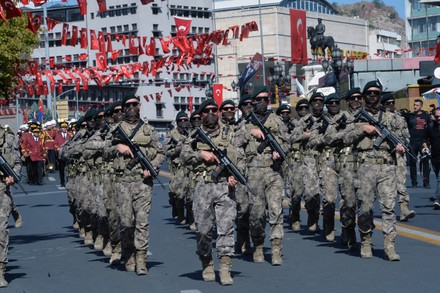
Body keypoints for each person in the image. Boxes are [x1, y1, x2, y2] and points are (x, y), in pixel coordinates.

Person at [181, 99, 240, 285]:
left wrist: (235, 175)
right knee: (203, 231)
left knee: (226, 229)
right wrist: (200, 154)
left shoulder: (230, 133)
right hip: (203, 187)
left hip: (224, 187)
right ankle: (206, 262)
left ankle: (225, 268)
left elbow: (242, 157)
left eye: (215, 109)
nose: (212, 112)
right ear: (202, 114)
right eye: (207, 110)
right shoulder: (195, 135)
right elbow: (182, 156)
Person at [343, 80, 402, 261]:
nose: (372, 96)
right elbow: (346, 138)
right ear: (364, 96)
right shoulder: (356, 118)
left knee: (389, 208)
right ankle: (366, 241)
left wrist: (400, 147)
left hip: (386, 166)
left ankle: (389, 246)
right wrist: (362, 129)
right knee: (365, 208)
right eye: (369, 93)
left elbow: (403, 137)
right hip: (365, 165)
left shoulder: (392, 118)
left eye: (376, 93)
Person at [111, 94, 164, 275]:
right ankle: (128, 255)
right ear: (124, 108)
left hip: (143, 182)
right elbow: (103, 149)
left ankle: (141, 259)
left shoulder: (149, 130)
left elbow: (160, 152)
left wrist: (154, 166)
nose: (132, 107)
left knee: (142, 222)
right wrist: (117, 147)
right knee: (126, 223)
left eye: (135, 104)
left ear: (139, 106)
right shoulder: (116, 129)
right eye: (128, 105)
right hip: (123, 183)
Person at [235, 85, 288, 265]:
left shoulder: (277, 121)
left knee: (276, 211)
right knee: (256, 215)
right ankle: (257, 244)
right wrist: (250, 132)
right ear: (253, 102)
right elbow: (235, 148)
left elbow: (287, 143)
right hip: (254, 174)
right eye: (260, 100)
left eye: (266, 99)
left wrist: (279, 152)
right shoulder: (245, 125)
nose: (263, 103)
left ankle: (275, 249)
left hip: (274, 172)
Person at [381, 93, 416, 221]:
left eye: (392, 103)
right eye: (387, 103)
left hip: (399, 154)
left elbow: (406, 135)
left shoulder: (400, 118)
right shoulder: (380, 118)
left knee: (401, 182)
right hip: (385, 155)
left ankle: (404, 208)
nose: (390, 105)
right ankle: (385, 209)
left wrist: (404, 144)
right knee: (385, 185)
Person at [0, 122, 22, 287]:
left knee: (1, 231)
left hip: (2, 190)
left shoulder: (7, 139)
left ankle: (1, 270)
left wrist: (13, 177)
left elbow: (17, 162)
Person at [404, 99, 431, 188]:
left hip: (423, 142)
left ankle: (426, 181)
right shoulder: (410, 116)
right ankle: (414, 182)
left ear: (421, 106)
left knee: (425, 161)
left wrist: (428, 143)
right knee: (412, 162)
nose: (415, 106)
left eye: (417, 105)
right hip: (413, 142)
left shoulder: (426, 116)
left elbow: (430, 129)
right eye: (414, 105)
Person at [424, 107, 440, 209]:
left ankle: (437, 199)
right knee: (438, 177)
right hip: (435, 156)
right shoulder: (430, 127)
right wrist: (425, 146)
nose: (439, 118)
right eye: (437, 116)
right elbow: (424, 139)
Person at [54, 121, 72, 187]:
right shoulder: (57, 136)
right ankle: (62, 182)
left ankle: (68, 181)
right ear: (61, 128)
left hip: (68, 154)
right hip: (61, 155)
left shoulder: (69, 135)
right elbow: (55, 144)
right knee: (61, 169)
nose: (64, 129)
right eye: (63, 127)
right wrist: (57, 148)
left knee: (68, 169)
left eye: (65, 127)